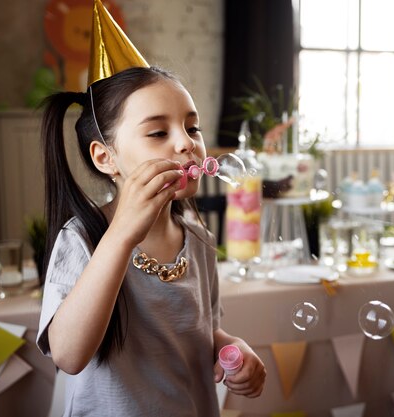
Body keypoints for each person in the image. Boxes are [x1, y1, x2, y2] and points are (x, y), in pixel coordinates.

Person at [35, 4, 265, 414]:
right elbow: (68, 355)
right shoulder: (83, 238)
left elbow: (202, 332)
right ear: (106, 158)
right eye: (158, 132)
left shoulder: (198, 239)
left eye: (192, 127)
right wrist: (122, 234)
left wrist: (231, 347)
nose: (186, 143)